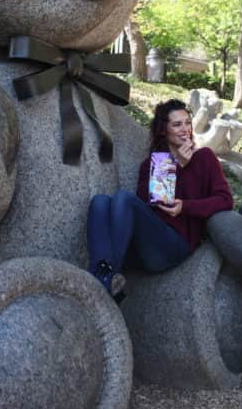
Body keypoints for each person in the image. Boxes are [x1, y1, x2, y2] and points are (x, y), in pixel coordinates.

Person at [87, 98, 234, 299]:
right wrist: (175, 165)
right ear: (164, 130)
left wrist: (186, 207)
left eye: (187, 122)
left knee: (124, 198)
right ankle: (105, 280)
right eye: (177, 124)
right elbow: (154, 207)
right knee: (99, 202)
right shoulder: (153, 165)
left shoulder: (205, 158)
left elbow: (225, 200)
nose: (185, 129)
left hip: (175, 246)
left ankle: (107, 277)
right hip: (145, 246)